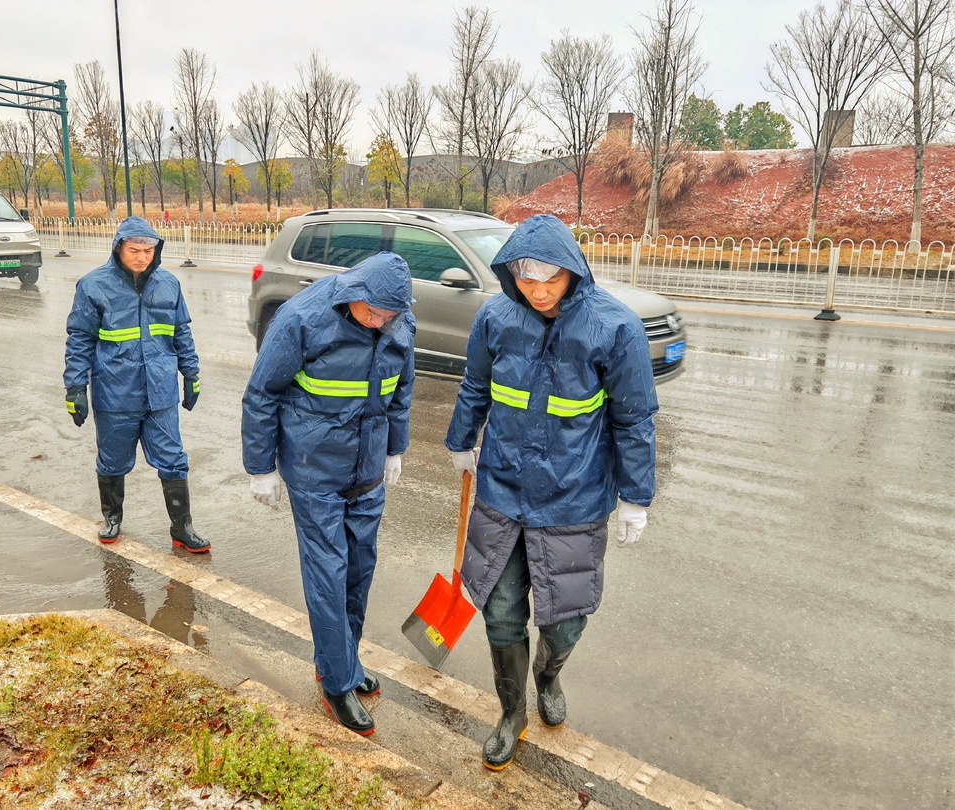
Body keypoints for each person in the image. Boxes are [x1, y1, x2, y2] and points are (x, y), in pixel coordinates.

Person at [444, 214, 659, 770]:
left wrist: (636, 496)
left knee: (565, 621)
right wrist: (460, 440)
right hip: (502, 492)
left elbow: (634, 419)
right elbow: (474, 386)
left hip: (574, 500)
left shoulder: (615, 329)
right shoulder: (495, 317)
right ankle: (511, 711)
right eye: (526, 279)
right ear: (511, 273)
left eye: (550, 280)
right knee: (500, 614)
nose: (537, 292)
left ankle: (549, 674)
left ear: (573, 273)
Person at [242, 252, 415, 736]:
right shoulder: (301, 319)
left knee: (359, 567)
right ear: (354, 294)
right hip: (313, 469)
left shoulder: (399, 320)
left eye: (391, 315)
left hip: (367, 469)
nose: (382, 322)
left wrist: (394, 449)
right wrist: (261, 467)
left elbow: (402, 388)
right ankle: (335, 681)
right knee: (328, 572)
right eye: (374, 313)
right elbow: (262, 393)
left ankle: (346, 661)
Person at [64, 216, 210, 554]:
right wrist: (74, 387)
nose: (142, 256)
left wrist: (191, 374)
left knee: (173, 459)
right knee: (113, 461)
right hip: (115, 391)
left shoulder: (168, 284)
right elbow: (80, 340)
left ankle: (182, 528)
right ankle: (112, 516)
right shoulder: (93, 285)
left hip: (160, 391)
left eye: (149, 250)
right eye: (135, 249)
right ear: (118, 247)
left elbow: (181, 333)